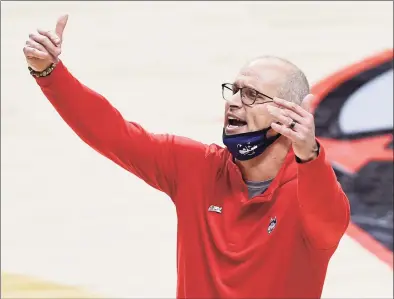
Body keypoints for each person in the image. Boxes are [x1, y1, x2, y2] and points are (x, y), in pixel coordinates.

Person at [23, 14, 350, 299]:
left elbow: (326, 214)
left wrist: (309, 155)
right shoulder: (196, 168)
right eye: (234, 90)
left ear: (290, 114)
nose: (234, 102)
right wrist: (49, 72)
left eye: (251, 95)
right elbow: (112, 133)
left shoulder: (310, 197)